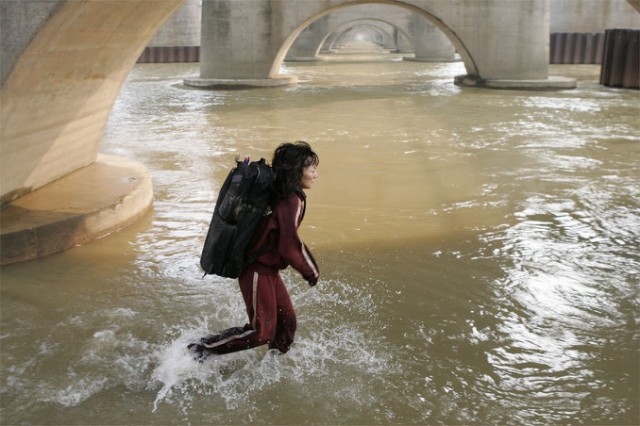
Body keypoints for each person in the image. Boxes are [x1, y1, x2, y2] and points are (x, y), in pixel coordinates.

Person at [188, 141, 320, 360]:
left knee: (286, 323)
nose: (315, 175)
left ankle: (273, 367)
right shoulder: (291, 201)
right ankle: (200, 349)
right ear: (298, 172)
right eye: (311, 169)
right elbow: (289, 244)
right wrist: (311, 271)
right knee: (261, 332)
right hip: (257, 270)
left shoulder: (284, 193)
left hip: (267, 270)